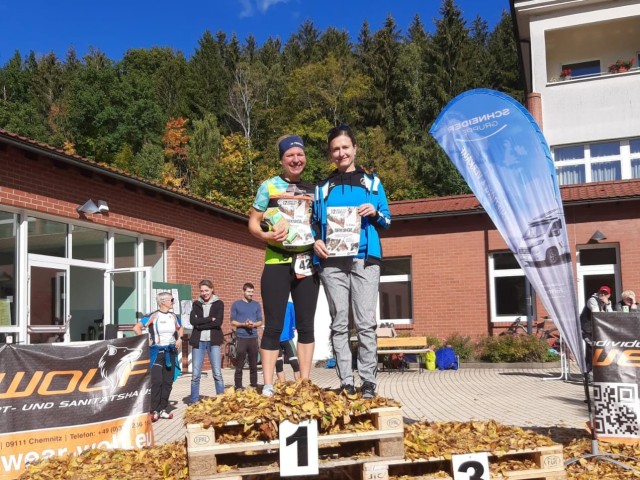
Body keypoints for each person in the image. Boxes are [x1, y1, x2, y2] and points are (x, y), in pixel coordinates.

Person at [312, 124, 391, 399]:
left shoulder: (372, 183)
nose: (341, 152)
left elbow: (388, 220)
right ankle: (346, 381)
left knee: (366, 323)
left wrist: (375, 211)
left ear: (355, 149)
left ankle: (368, 381)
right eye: (335, 148)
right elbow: (312, 226)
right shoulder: (322, 188)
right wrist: (315, 241)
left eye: (345, 147)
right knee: (339, 323)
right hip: (332, 263)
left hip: (365, 261)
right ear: (330, 153)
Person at [247, 134, 319, 397]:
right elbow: (253, 222)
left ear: (305, 159)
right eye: (290, 155)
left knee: (306, 325)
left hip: (306, 263)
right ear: (281, 160)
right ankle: (268, 384)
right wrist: (265, 236)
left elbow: (321, 225)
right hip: (276, 261)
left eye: (299, 155)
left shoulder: (315, 190)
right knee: (274, 325)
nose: (295, 159)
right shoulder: (268, 186)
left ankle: (305, 383)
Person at [133, 291, 183, 422]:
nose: (173, 302)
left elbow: (181, 328)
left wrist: (179, 339)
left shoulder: (173, 316)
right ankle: (153, 410)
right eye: (171, 300)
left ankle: (162, 409)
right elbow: (136, 328)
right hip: (156, 352)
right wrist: (145, 340)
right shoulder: (153, 316)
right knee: (156, 381)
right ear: (162, 302)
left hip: (170, 351)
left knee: (168, 382)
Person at [188, 279, 225, 404]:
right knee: (195, 375)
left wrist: (201, 323)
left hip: (213, 341)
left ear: (212, 289)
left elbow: (218, 322)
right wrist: (209, 319)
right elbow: (193, 322)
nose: (204, 293)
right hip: (199, 342)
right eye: (202, 291)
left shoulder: (219, 303)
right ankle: (193, 401)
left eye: (206, 290)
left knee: (217, 373)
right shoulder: (196, 304)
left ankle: (221, 400)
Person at [230, 283, 262, 390]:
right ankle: (238, 386)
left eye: (252, 292)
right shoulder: (236, 304)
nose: (251, 294)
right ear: (243, 291)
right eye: (248, 292)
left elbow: (260, 321)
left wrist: (254, 324)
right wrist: (243, 324)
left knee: (254, 364)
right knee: (239, 364)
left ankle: (254, 385)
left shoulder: (256, 305)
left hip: (253, 337)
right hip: (241, 337)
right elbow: (233, 322)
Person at [580, 285, 613, 373]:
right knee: (591, 348)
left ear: (609, 295)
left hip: (598, 330)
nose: (602, 294)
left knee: (599, 349)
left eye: (605, 293)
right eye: (601, 292)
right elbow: (596, 314)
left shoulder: (607, 302)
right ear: (598, 292)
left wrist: (608, 304)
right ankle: (589, 372)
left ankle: (597, 371)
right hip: (587, 329)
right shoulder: (592, 300)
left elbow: (611, 316)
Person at [276, 299, 300, 383]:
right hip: (276, 339)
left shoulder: (290, 305)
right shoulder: (274, 304)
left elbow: (295, 318)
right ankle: (282, 384)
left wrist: (294, 327)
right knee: (278, 364)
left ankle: (299, 385)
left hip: (287, 338)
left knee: (294, 363)